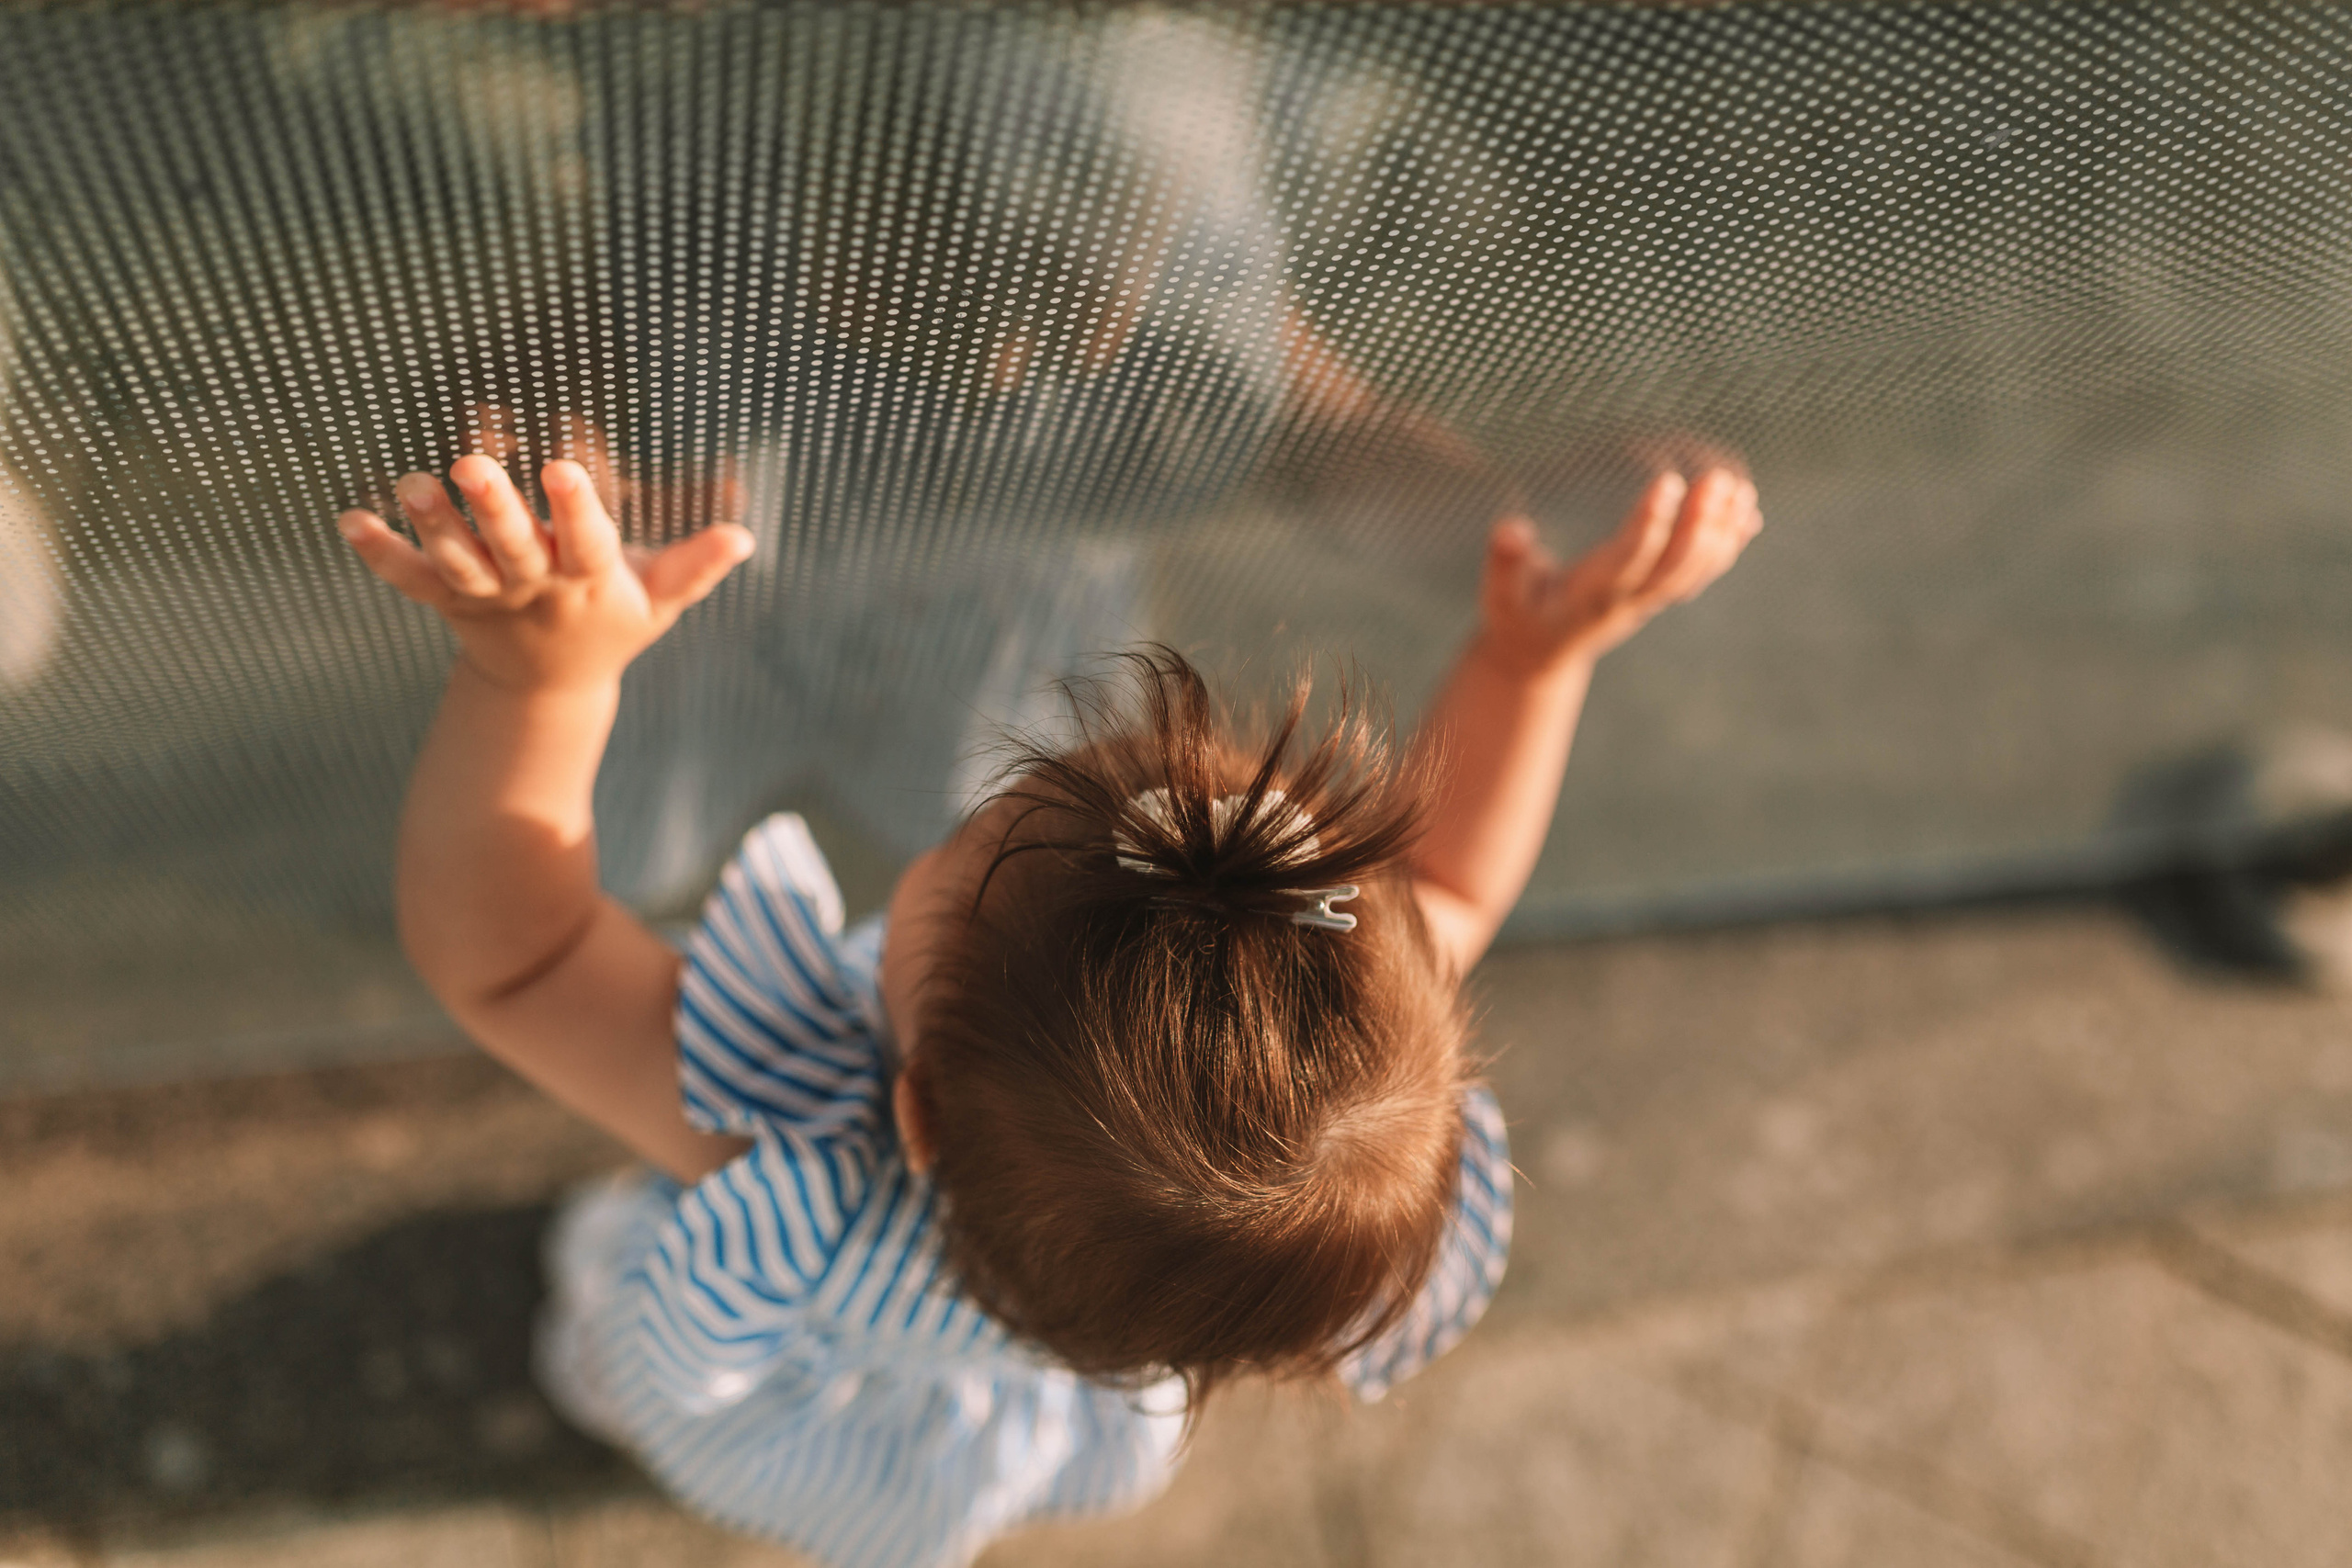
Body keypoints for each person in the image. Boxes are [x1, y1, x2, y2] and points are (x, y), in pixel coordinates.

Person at [333, 449, 1758, 1568]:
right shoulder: (1340, 1079)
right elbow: (1451, 880)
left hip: (787, 1367)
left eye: (957, 857)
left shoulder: (787, 1154)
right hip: (1054, 1405)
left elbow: (510, 957)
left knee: (619, 1311)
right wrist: (1529, 665)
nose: (954, 833)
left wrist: (541, 682)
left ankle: (588, 1371)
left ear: (913, 1110)